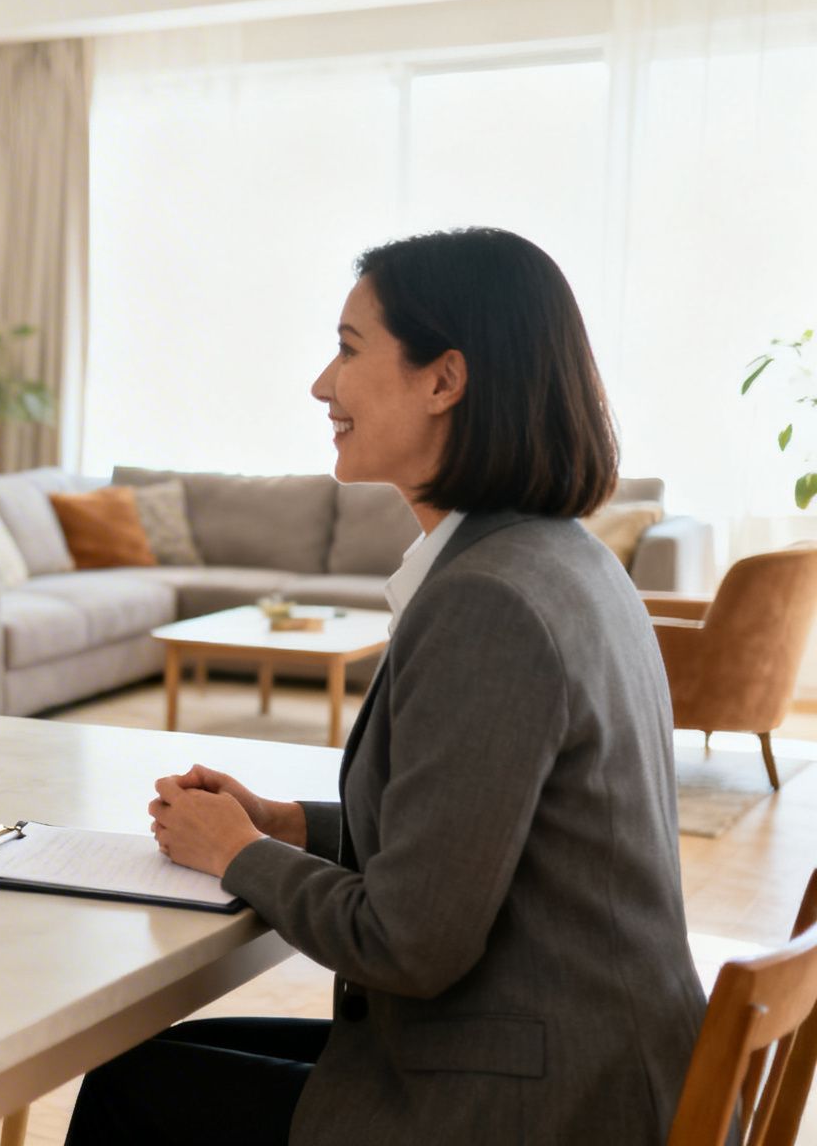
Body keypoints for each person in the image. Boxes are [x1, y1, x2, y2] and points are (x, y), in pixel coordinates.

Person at [66, 229, 704, 1144]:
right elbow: (481, 839)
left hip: (538, 1102)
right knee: (143, 1073)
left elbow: (408, 943)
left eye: (349, 349)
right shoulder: (564, 557)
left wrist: (237, 855)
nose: (323, 385)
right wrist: (292, 827)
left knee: (134, 1098)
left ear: (445, 380)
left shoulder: (489, 602)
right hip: (579, 1053)